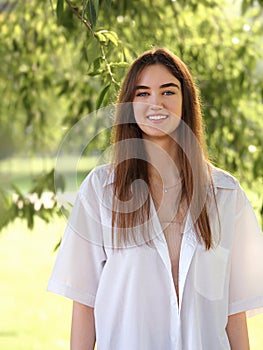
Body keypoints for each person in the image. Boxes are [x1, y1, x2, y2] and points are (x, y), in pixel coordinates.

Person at [47, 48, 263, 349]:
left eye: (168, 91)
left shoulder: (225, 194)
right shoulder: (100, 190)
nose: (155, 103)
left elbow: (234, 312)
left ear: (186, 101)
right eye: (143, 93)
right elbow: (85, 305)